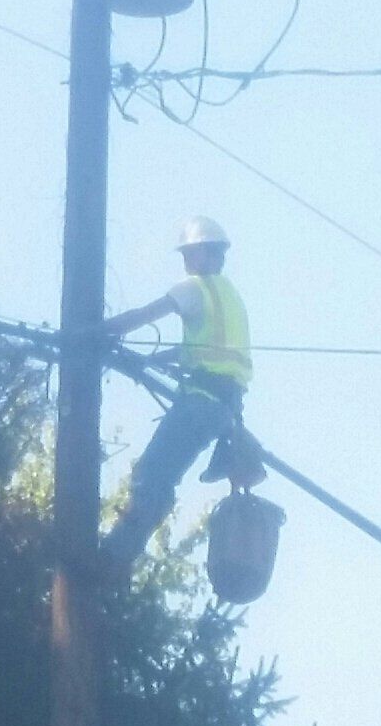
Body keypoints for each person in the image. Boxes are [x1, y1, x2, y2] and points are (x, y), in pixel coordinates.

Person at [101, 215, 265, 575]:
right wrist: (151, 359)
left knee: (151, 473)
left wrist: (98, 333)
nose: (186, 263)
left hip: (199, 402)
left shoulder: (194, 288)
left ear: (207, 254)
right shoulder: (230, 297)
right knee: (163, 477)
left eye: (190, 254)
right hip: (223, 409)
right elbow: (202, 350)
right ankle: (122, 555)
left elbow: (147, 314)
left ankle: (113, 556)